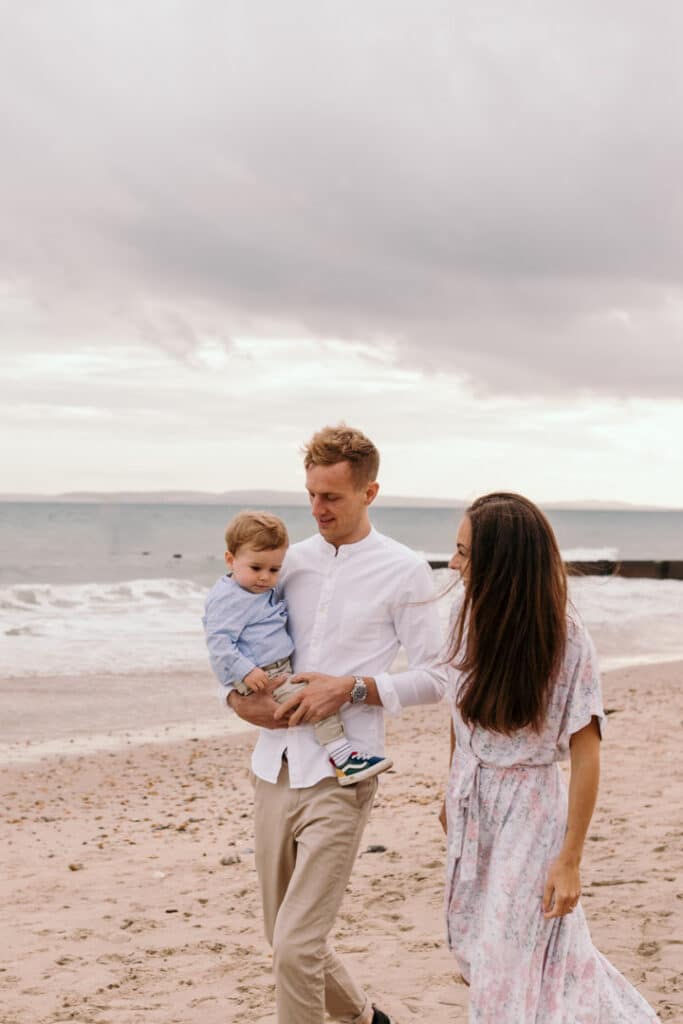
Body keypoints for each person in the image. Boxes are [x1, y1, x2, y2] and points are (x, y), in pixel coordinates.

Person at [222, 425, 447, 1024]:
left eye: (332, 498)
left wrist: (352, 688)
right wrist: (235, 699)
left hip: (341, 778)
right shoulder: (284, 563)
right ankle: (369, 1019)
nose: (317, 510)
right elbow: (236, 644)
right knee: (287, 943)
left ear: (370, 491)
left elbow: (442, 677)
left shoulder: (404, 571)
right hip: (273, 768)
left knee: (295, 948)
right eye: (311, 495)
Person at [441, 492, 660, 1023]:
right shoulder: (463, 616)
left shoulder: (567, 640)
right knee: (486, 949)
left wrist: (570, 859)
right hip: (474, 799)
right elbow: (457, 716)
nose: (452, 564)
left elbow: (587, 756)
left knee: (506, 959)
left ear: (502, 561)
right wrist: (448, 790)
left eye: (465, 553)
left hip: (530, 809)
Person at [203, 509, 392, 785]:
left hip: (275, 669)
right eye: (256, 568)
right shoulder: (227, 598)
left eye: (274, 569)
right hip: (261, 674)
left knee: (311, 698)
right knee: (315, 700)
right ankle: (343, 758)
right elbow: (219, 645)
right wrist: (245, 673)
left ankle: (339, 755)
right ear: (230, 560)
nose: (265, 577)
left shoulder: (254, 589)